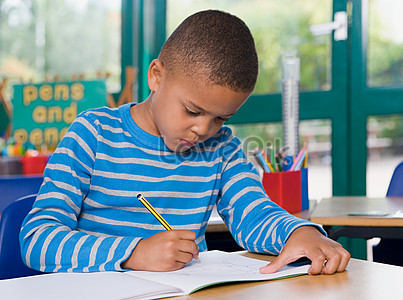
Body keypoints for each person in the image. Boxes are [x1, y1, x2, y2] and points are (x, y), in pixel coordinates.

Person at [20, 10, 349, 275]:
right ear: (156, 76)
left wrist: (299, 232)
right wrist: (134, 252)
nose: (203, 129)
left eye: (221, 118)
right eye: (192, 110)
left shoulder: (221, 148)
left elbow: (255, 214)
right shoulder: (92, 134)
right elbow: (37, 239)